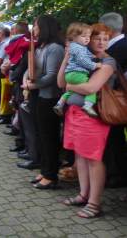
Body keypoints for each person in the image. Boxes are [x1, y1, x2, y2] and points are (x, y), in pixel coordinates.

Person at [59, 23, 116, 218]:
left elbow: (91, 88)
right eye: (97, 38)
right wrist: (67, 57)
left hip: (93, 117)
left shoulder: (108, 62)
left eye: (105, 39)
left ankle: (94, 203)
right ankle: (83, 195)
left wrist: (70, 86)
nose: (101, 42)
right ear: (88, 40)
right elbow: (60, 82)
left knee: (93, 159)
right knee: (80, 157)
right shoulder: (81, 57)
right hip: (75, 112)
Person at [24, 15, 64, 188]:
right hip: (38, 95)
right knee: (41, 135)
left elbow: (52, 76)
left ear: (45, 28)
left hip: (49, 98)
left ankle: (51, 175)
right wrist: (26, 80)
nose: (34, 29)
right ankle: (45, 170)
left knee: (49, 137)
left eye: (37, 26)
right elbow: (30, 68)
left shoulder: (55, 48)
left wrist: (33, 85)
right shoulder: (41, 46)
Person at [99, 12, 127, 190]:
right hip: (119, 101)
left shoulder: (116, 49)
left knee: (115, 139)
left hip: (116, 102)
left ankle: (117, 175)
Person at [53, 23, 101, 117]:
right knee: (91, 89)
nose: (87, 38)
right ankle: (88, 105)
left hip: (70, 75)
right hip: (78, 73)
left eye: (88, 36)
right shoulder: (78, 48)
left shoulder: (79, 47)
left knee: (70, 91)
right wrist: (95, 65)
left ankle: (60, 103)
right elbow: (83, 60)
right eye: (84, 36)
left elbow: (87, 54)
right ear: (74, 37)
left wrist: (93, 56)